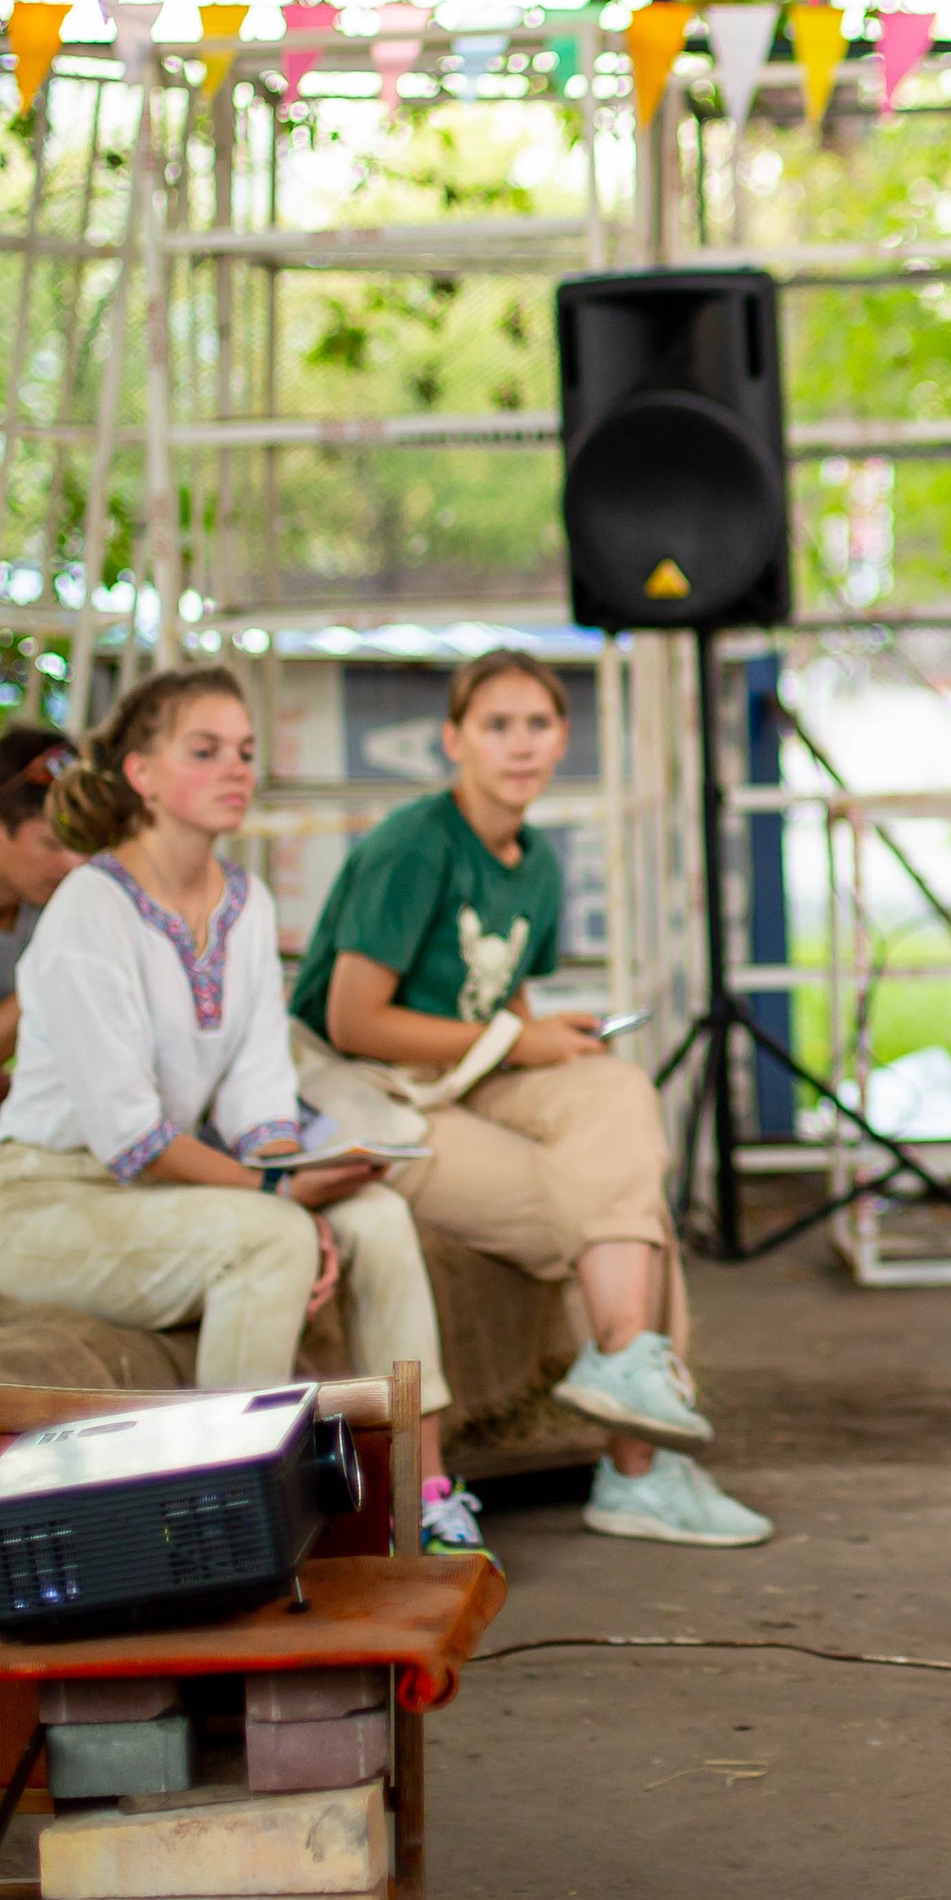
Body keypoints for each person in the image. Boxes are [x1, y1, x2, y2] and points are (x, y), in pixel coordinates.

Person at [0, 669, 476, 1552]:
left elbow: (256, 1093)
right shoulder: (91, 906)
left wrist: (293, 1170)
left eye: (245, 751)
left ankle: (423, 1499)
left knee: (379, 1214)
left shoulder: (246, 905)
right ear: (142, 773)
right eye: (204, 751)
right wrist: (276, 1196)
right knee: (274, 1235)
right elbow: (131, 1139)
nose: (236, 768)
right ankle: (216, 1524)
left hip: (173, 1196)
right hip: (48, 1208)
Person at [288, 647, 769, 1549]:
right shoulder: (413, 843)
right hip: (380, 1100)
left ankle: (627, 1382)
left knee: (616, 1085)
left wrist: (544, 1038)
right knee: (624, 1219)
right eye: (496, 725)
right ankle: (641, 1469)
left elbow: (499, 998)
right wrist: (519, 1040)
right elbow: (354, 1019)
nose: (520, 745)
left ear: (562, 741)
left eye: (538, 725)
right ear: (452, 741)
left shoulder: (535, 858)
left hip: (464, 1081)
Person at [0, 725, 81, 1211]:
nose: (73, 863)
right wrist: (45, 969)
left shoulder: (53, 896)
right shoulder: (57, 917)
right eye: (52, 845)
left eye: (81, 845)